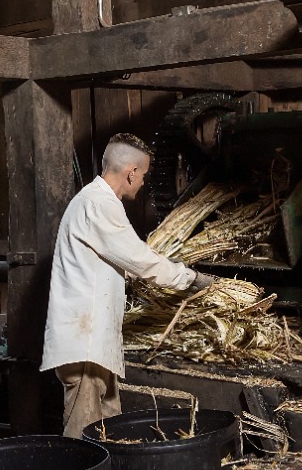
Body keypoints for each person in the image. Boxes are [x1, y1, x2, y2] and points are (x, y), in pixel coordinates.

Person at [41, 133, 214, 438]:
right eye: (143, 174)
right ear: (131, 172)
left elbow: (113, 261)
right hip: (85, 345)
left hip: (95, 344)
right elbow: (139, 259)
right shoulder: (98, 204)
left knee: (109, 428)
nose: (144, 182)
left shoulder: (95, 202)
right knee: (84, 435)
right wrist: (189, 279)